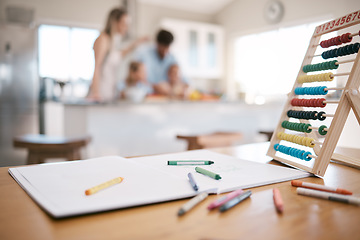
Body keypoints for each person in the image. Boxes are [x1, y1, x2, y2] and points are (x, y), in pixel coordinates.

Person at [88, 8, 147, 102]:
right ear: (115, 22)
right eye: (124, 24)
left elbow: (121, 54)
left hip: (110, 93)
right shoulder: (103, 40)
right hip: (100, 93)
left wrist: (137, 42)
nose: (127, 28)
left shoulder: (113, 42)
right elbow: (97, 68)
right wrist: (96, 93)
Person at [134, 29, 187, 95]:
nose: (165, 52)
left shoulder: (172, 58)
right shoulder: (143, 54)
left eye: (167, 48)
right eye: (163, 48)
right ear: (157, 43)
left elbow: (184, 80)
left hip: (165, 98)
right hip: (145, 95)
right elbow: (135, 78)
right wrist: (154, 87)